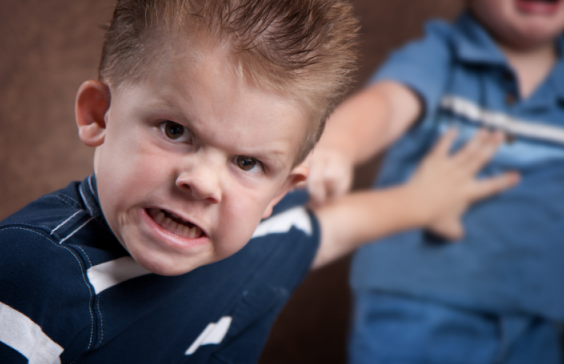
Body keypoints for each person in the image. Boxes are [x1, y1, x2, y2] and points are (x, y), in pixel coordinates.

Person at [0, 0, 517, 363]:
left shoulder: (246, 240)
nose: (202, 183)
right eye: (175, 130)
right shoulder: (33, 277)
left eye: (247, 163)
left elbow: (328, 231)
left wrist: (424, 201)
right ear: (99, 114)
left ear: (282, 191)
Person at [306, 0, 564, 363]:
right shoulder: (442, 53)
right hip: (418, 306)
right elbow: (388, 103)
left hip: (537, 317)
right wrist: (338, 145)